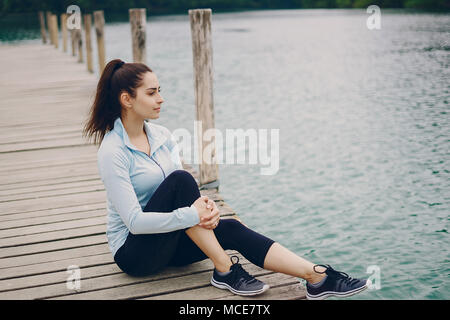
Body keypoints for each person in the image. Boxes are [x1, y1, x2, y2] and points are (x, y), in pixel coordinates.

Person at [82, 59, 371, 300]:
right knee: (182, 179)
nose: (161, 99)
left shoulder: (162, 136)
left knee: (229, 226)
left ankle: (317, 277)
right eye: (152, 92)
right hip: (136, 253)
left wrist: (207, 210)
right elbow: (134, 221)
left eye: (160, 91)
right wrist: (190, 214)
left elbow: (183, 195)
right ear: (126, 99)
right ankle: (224, 270)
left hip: (168, 240)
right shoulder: (113, 151)